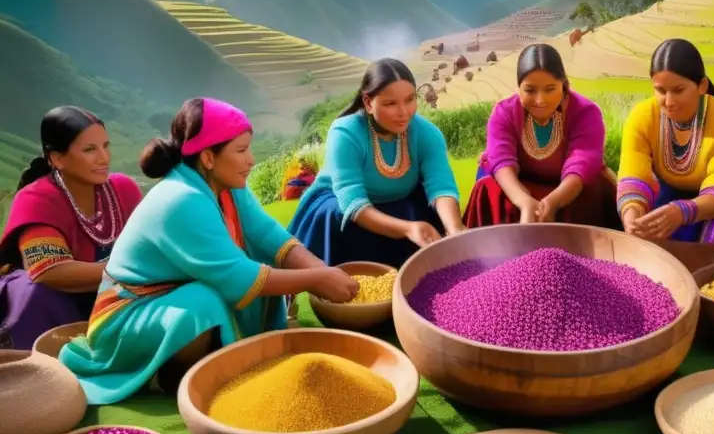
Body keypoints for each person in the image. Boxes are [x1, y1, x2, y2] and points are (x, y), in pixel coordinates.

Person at [59, 98, 360, 405]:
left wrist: (321, 269)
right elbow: (240, 279)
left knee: (251, 259)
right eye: (241, 151)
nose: (251, 160)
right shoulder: (182, 199)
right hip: (128, 316)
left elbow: (267, 234)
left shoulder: (227, 185)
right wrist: (315, 280)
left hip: (168, 296)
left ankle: (223, 353)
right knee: (204, 301)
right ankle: (163, 375)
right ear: (208, 158)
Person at [289, 59, 465, 268]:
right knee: (340, 215)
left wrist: (455, 230)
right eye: (391, 103)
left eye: (410, 100)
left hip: (399, 201)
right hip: (341, 209)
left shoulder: (427, 134)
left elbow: (441, 187)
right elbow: (353, 204)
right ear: (368, 102)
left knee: (420, 208)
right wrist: (408, 229)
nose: (403, 112)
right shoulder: (345, 132)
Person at [0, 107, 142, 351]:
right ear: (57, 158)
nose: (104, 158)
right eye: (90, 150)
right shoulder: (36, 198)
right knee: (36, 292)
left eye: (105, 146)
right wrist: (135, 272)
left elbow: (148, 245)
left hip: (110, 294)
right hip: (52, 300)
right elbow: (49, 271)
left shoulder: (124, 189)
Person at [463, 44, 618, 228]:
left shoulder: (585, 113)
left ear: (564, 84)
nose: (540, 100)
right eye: (530, 90)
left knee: (596, 189)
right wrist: (524, 202)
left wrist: (552, 203)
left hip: (570, 190)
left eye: (550, 89)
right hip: (519, 187)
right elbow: (502, 162)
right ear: (518, 87)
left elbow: (582, 164)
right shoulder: (504, 112)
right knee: (487, 187)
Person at [617, 39, 714, 244]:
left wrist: (682, 212)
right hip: (671, 198)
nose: (669, 102)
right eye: (661, 91)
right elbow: (633, 177)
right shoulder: (642, 116)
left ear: (702, 86)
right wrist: (632, 216)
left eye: (678, 90)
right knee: (650, 236)